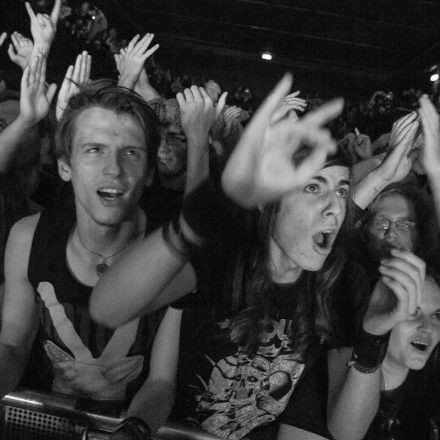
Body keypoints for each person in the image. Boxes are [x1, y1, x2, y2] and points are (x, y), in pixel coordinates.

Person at [90, 74, 353, 439]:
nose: (334, 207)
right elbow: (108, 307)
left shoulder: (331, 286)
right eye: (313, 187)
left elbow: (304, 415)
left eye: (343, 191)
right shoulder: (224, 262)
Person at [0, 78, 168, 429]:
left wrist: (130, 434)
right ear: (65, 166)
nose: (113, 169)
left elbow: (161, 382)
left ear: (150, 171)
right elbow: (13, 344)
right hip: (42, 423)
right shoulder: (28, 238)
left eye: (131, 153)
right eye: (94, 149)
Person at [326, 96, 440, 440]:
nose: (392, 232)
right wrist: (382, 170)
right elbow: (335, 224)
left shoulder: (430, 277)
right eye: (382, 222)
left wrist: (434, 168)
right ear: (363, 227)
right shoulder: (342, 273)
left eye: (404, 223)